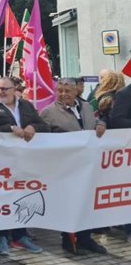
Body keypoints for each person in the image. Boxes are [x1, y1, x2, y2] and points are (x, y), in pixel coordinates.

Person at [0, 77, 50, 256]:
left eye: (5, 89)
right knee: (2, 198)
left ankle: (20, 235)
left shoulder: (26, 105)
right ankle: (1, 237)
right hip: (0, 162)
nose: (0, 92)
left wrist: (33, 126)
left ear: (14, 89)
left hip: (24, 160)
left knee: (23, 196)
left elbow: (44, 126)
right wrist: (10, 128)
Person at [41, 78, 107, 254]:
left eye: (67, 91)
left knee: (86, 202)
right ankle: (68, 240)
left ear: (76, 91)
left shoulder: (86, 107)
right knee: (69, 203)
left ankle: (85, 238)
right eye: (60, 91)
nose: (63, 94)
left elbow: (95, 124)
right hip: (65, 166)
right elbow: (41, 140)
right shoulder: (48, 112)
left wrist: (101, 124)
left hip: (87, 164)